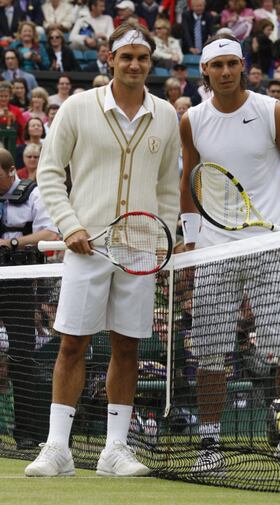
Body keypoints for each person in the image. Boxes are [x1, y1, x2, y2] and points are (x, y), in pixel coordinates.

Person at [25, 21, 180, 478]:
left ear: (150, 63)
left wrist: (162, 237)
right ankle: (58, 449)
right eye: (126, 56)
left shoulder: (166, 115)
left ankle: (114, 450)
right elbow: (49, 173)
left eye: (143, 57)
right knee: (72, 344)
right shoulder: (76, 107)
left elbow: (169, 188)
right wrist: (69, 225)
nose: (135, 64)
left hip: (140, 252)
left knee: (128, 347)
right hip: (86, 246)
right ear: (109, 59)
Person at [179, 33, 280, 474]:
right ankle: (209, 446)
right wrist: (189, 240)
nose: (224, 72)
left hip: (269, 249)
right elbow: (190, 180)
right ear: (205, 70)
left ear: (243, 67)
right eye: (216, 65)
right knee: (209, 356)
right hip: (213, 252)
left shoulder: (268, 111)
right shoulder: (192, 120)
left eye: (231, 65)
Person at [0, 147, 58, 450]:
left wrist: (13, 242)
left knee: (22, 356)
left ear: (10, 171)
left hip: (19, 285)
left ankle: (28, 433)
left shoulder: (33, 193)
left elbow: (50, 234)